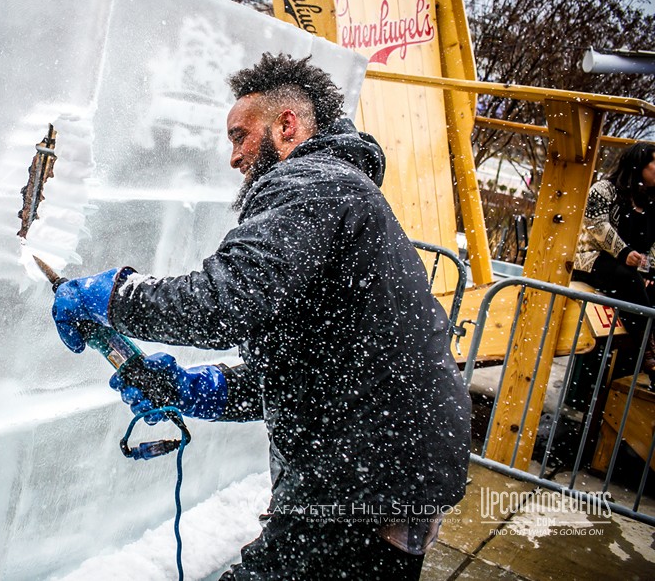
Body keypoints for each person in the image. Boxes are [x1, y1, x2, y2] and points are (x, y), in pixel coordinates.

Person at [49, 53, 471, 578]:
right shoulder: (337, 189)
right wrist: (193, 387)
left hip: (365, 467)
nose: (233, 157)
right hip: (386, 461)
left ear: (287, 125)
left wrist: (113, 295)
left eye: (239, 135)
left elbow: (223, 303)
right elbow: (306, 368)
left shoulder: (313, 182)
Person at [573, 141, 655, 388]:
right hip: (593, 260)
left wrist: (650, 270)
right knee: (627, 279)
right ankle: (649, 356)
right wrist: (624, 252)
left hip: (630, 270)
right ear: (639, 165)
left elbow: (653, 244)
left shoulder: (652, 201)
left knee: (646, 287)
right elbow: (596, 225)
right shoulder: (604, 189)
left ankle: (639, 359)